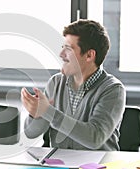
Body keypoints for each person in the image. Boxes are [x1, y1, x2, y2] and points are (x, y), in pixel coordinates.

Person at [21, 19, 126, 151]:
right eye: (62, 48)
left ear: (89, 55)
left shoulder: (113, 90)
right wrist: (35, 114)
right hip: (60, 164)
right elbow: (31, 134)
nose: (61, 54)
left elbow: (95, 138)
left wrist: (48, 111)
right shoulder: (56, 83)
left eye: (69, 49)